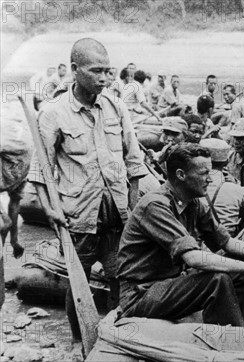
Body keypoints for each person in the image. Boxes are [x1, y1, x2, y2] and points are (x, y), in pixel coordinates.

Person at [27, 38, 148, 344]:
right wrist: (49, 210)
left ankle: (114, 343)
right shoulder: (53, 112)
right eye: (97, 71)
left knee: (121, 279)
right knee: (77, 286)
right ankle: (79, 342)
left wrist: (133, 208)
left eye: (108, 71)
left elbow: (134, 162)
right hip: (77, 218)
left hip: (117, 217)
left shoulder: (116, 106)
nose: (105, 78)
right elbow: (41, 172)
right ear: (74, 70)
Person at [117, 143, 244, 328]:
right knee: (217, 280)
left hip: (169, 284)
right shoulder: (155, 206)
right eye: (204, 173)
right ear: (181, 175)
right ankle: (226, 343)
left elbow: (226, 242)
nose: (210, 179)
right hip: (141, 294)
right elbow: (193, 258)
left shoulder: (194, 203)